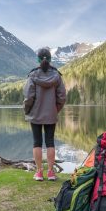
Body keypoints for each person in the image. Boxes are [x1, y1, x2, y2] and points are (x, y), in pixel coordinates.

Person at [23, 48, 66, 181]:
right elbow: (62, 97)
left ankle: (39, 172)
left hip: (35, 114)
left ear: (38, 59)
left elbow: (28, 97)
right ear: (50, 59)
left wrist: (27, 110)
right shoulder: (57, 76)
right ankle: (51, 173)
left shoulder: (32, 75)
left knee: (37, 142)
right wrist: (55, 109)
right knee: (50, 142)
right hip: (51, 114)